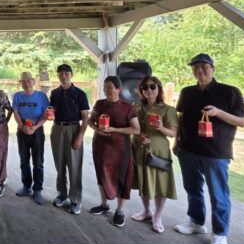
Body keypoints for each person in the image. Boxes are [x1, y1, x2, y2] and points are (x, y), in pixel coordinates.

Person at [174, 53, 244, 244]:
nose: (200, 71)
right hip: (188, 149)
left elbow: (243, 121)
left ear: (213, 69)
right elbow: (181, 118)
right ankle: (196, 221)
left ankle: (220, 232)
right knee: (192, 188)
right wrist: (177, 142)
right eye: (195, 67)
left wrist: (218, 113)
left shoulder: (229, 92)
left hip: (216, 152)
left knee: (218, 193)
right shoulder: (187, 92)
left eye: (204, 67)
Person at [88, 76, 141, 227]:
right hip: (100, 145)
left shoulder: (128, 107)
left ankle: (120, 211)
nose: (107, 91)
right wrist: (97, 129)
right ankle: (104, 204)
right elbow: (90, 121)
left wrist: (115, 129)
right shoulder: (100, 104)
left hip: (120, 148)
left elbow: (136, 130)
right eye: (105, 88)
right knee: (101, 174)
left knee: (122, 177)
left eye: (110, 88)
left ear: (118, 89)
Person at [131, 76, 178, 234]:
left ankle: (157, 216)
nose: (149, 90)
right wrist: (138, 135)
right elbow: (130, 126)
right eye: (145, 87)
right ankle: (146, 211)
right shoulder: (135, 107)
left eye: (152, 86)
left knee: (160, 183)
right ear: (141, 90)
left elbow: (173, 133)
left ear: (159, 89)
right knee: (143, 180)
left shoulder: (168, 109)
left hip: (158, 151)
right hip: (139, 148)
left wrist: (161, 128)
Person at [49, 64, 90, 215]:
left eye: (66, 73)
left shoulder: (80, 94)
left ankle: (75, 199)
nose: (64, 75)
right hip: (57, 129)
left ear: (71, 75)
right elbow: (51, 111)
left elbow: (85, 118)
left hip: (74, 129)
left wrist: (80, 136)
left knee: (74, 166)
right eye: (61, 73)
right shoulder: (54, 93)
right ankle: (62, 194)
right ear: (58, 76)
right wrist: (49, 113)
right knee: (59, 164)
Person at [12, 71, 49, 205]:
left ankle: (37, 189)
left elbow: (46, 114)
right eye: (24, 81)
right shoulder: (17, 96)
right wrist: (22, 127)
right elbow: (15, 113)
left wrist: (36, 126)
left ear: (33, 81)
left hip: (37, 129)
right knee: (24, 160)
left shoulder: (41, 96)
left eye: (29, 80)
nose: (26, 83)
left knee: (38, 162)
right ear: (21, 83)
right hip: (22, 130)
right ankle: (26, 186)